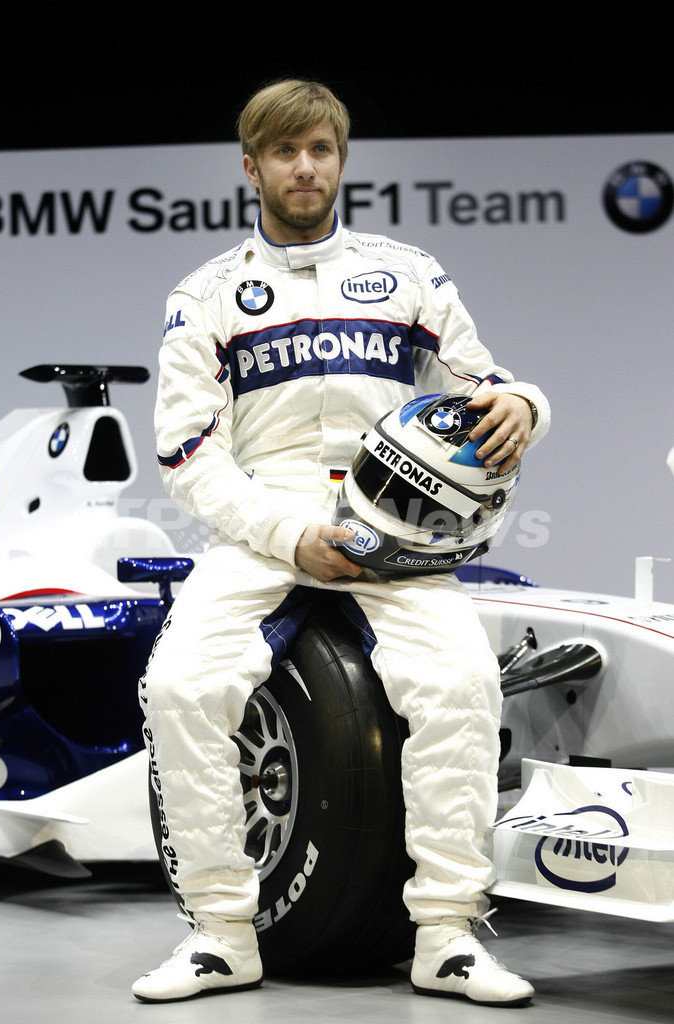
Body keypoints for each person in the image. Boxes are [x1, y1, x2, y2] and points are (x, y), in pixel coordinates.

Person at [132, 78, 550, 1007]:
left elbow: (484, 381)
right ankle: (220, 933)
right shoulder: (204, 295)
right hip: (263, 522)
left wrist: (525, 403)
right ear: (252, 168)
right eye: (285, 152)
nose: (305, 167)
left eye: (319, 149)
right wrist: (291, 535)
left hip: (397, 523)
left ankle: (446, 935)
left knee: (462, 685)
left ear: (341, 161)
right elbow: (188, 453)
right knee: (181, 686)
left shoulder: (409, 273)